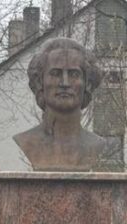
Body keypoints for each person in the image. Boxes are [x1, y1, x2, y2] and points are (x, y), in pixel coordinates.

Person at [11, 38, 115, 171]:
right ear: (39, 82)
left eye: (74, 74)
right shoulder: (27, 141)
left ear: (87, 83)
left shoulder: (96, 145)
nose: (65, 83)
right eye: (55, 74)